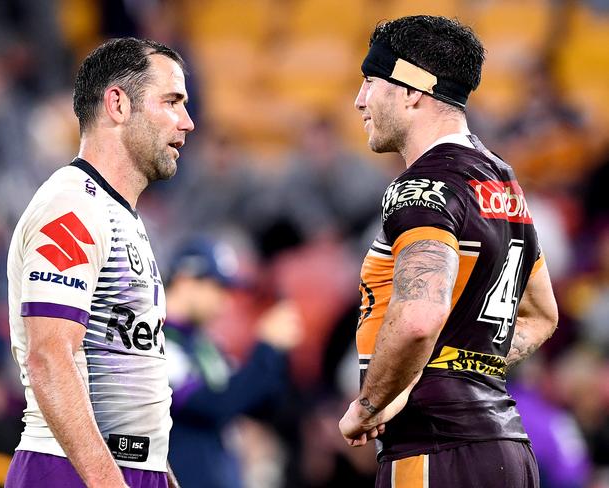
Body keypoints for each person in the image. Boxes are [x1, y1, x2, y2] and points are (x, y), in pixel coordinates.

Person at [338, 16, 558, 487]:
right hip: (506, 452)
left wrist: (372, 403)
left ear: (412, 90)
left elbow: (418, 318)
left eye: (370, 82)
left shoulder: (421, 186)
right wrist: (456, 369)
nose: (359, 100)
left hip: (435, 448)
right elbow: (542, 315)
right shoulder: (501, 179)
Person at [6, 37, 194, 487]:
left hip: (123, 468)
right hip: (71, 470)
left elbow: (132, 361)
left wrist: (158, 471)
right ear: (118, 104)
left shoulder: (116, 212)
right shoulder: (72, 207)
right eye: (171, 101)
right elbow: (50, 357)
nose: (187, 122)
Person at [163, 238, 301, 488]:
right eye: (218, 288)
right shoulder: (154, 340)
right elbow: (211, 404)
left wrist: (278, 352)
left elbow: (257, 402)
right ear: (185, 279)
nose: (225, 302)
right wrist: (266, 347)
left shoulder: (206, 345)